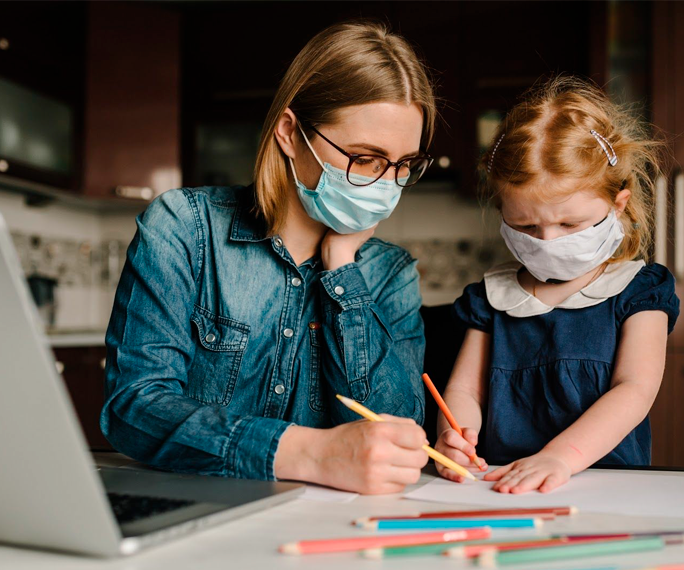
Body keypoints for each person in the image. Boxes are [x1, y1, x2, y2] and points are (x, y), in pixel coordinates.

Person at [101, 21, 437, 495]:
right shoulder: (183, 226)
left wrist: (342, 269)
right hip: (194, 509)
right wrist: (307, 454)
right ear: (289, 132)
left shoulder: (389, 273)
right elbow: (133, 407)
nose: (387, 184)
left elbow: (392, 439)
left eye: (404, 165)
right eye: (365, 158)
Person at [434, 77, 680, 494]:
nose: (548, 241)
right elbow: (462, 390)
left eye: (570, 224)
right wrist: (455, 436)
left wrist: (561, 457)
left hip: (606, 489)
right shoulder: (492, 298)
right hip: (498, 486)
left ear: (617, 204)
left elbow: (634, 389)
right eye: (525, 225)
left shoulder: (639, 291)